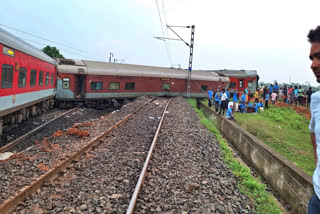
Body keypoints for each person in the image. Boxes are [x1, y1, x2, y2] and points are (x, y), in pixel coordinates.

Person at [307, 25, 320, 213]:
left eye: (319, 56)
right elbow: (312, 131)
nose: (312, 65)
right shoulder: (316, 100)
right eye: (312, 58)